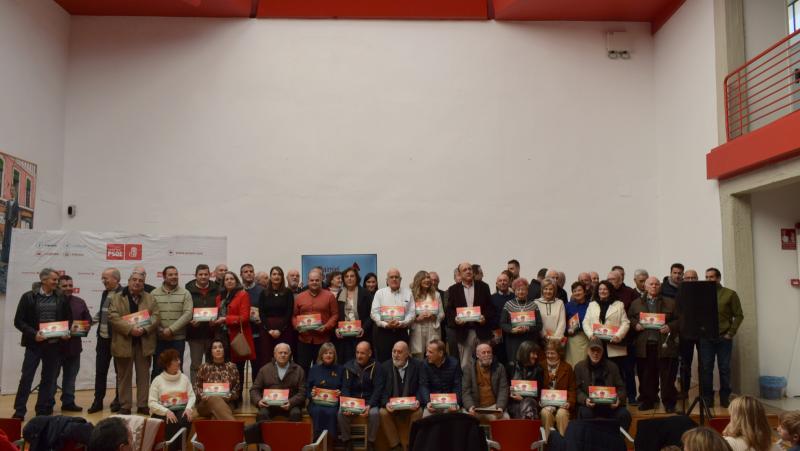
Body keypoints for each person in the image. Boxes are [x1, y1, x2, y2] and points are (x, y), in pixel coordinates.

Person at [12, 268, 72, 419]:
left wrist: (66, 332)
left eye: (57, 280)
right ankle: (19, 411)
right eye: (54, 280)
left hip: (53, 346)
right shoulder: (28, 297)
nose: (56, 283)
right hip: (34, 345)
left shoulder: (61, 298)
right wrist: (34, 334)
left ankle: (42, 411)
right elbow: (18, 321)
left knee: (49, 379)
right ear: (43, 280)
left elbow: (68, 320)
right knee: (26, 378)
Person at [108, 270, 161, 415]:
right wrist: (131, 329)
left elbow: (156, 316)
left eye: (141, 280)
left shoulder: (150, 298)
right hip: (124, 342)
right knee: (124, 376)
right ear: (129, 281)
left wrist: (144, 330)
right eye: (134, 280)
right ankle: (125, 405)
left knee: (143, 376)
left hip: (144, 343)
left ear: (144, 283)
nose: (137, 282)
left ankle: (143, 404)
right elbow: (113, 317)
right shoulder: (117, 298)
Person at [628, 276, 679, 412]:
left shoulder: (671, 302)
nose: (654, 286)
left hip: (664, 345)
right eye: (651, 284)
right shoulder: (636, 303)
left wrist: (670, 327)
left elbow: (680, 320)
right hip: (645, 345)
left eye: (657, 284)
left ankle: (669, 402)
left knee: (667, 376)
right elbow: (630, 318)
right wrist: (635, 325)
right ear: (645, 286)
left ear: (660, 286)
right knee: (646, 376)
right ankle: (648, 400)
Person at [701, 267, 745, 408]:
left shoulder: (730, 294)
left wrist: (730, 333)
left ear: (718, 278)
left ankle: (725, 397)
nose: (709, 279)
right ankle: (708, 398)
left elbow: (739, 315)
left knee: (724, 368)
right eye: (707, 277)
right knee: (706, 368)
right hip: (706, 338)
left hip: (723, 338)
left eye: (712, 277)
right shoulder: (701, 295)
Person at [215, 271, 256, 404]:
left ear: (236, 281)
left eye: (232, 279)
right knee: (224, 369)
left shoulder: (243, 294)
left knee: (237, 369)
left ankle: (238, 398)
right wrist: (213, 320)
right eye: (226, 279)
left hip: (236, 337)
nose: (229, 281)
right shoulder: (219, 297)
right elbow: (217, 314)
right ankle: (225, 397)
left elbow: (244, 318)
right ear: (223, 282)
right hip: (222, 337)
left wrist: (225, 319)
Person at [574, 337, 631, 431]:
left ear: (603, 352)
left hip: (610, 406)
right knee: (585, 414)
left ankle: (617, 442)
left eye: (598, 351)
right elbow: (576, 389)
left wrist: (618, 399)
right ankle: (590, 443)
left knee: (625, 415)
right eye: (593, 350)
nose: (595, 353)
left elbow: (622, 388)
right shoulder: (579, 367)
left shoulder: (612, 367)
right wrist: (585, 400)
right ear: (588, 351)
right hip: (590, 406)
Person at [446, 262, 496, 369]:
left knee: (485, 364)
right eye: (465, 270)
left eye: (469, 269)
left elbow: (490, 308)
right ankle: (468, 386)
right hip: (464, 332)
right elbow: (450, 310)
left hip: (482, 330)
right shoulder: (453, 289)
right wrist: (456, 319)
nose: (468, 271)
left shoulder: (484, 286)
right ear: (459, 274)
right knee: (465, 366)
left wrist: (485, 318)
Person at [89, 267, 123, 414]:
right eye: (103, 278)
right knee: (100, 372)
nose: (103, 281)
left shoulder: (124, 294)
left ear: (116, 279)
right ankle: (98, 401)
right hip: (102, 339)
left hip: (117, 339)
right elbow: (102, 310)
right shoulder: (105, 293)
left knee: (120, 372)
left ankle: (118, 400)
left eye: (106, 278)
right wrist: (90, 322)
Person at [378, 341, 424, 451]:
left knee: (419, 412)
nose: (396, 355)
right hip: (393, 406)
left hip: (411, 405)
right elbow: (382, 390)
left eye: (399, 352)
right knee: (382, 412)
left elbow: (421, 386)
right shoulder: (385, 367)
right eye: (394, 351)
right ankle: (396, 446)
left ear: (407, 354)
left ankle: (410, 444)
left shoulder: (418, 365)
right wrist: (386, 403)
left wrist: (418, 401)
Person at [150, 266, 193, 379]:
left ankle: (177, 396)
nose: (174, 277)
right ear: (164, 277)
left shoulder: (185, 293)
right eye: (170, 274)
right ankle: (156, 396)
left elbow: (188, 314)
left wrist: (171, 330)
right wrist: (161, 330)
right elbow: (150, 314)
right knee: (157, 368)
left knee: (177, 368)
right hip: (159, 338)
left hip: (178, 339)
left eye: (176, 274)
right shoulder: (154, 293)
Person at [148, 349, 194, 451]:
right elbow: (151, 403)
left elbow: (191, 396)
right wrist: (166, 411)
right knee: (171, 421)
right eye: (176, 360)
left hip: (180, 408)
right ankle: (173, 448)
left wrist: (189, 408)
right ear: (168, 364)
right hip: (162, 412)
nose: (179, 362)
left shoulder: (184, 378)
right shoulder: (157, 380)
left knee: (186, 418)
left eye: (179, 359)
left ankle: (180, 447)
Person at [293, 268, 338, 372]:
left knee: (322, 369)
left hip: (323, 339)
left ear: (321, 279)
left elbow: (335, 315)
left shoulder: (329, 296)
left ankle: (321, 388)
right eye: (312, 280)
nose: (314, 282)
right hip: (304, 339)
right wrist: (297, 327)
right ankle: (305, 388)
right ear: (308, 281)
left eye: (317, 280)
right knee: (303, 368)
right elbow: (294, 316)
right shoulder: (299, 297)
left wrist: (326, 326)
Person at [58, 274, 92, 412]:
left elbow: (88, 320)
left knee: (70, 377)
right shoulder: (52, 301)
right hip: (55, 348)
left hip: (74, 347)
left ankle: (68, 402)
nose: (68, 288)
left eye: (70, 285)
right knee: (50, 377)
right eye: (64, 286)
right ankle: (46, 404)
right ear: (58, 287)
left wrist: (87, 325)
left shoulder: (80, 302)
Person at [339, 341, 381, 451]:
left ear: (369, 353)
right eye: (357, 352)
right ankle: (347, 442)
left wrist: (370, 405)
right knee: (341, 412)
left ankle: (371, 442)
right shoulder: (348, 366)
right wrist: (348, 405)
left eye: (362, 353)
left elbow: (378, 389)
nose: (359, 356)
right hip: (353, 401)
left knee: (375, 413)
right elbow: (345, 388)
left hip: (369, 401)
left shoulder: (377, 367)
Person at [251, 343, 306, 422]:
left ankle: (292, 435)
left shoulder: (298, 370)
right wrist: (259, 401)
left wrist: (291, 402)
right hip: (269, 405)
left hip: (290, 404)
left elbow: (302, 392)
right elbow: (254, 389)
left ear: (290, 354)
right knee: (262, 414)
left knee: (296, 414)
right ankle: (267, 434)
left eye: (285, 353)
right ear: (275, 354)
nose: (283, 355)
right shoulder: (265, 369)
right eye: (280, 352)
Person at [583, 280, 630, 372]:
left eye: (605, 289)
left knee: (614, 371)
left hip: (613, 344)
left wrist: (619, 336)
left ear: (610, 291)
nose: (602, 291)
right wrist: (590, 335)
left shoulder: (619, 305)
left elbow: (625, 323)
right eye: (600, 289)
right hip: (596, 342)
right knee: (597, 371)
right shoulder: (592, 305)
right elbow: (586, 322)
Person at [500, 277, 543, 377]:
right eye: (518, 289)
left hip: (529, 340)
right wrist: (512, 329)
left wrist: (529, 328)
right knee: (514, 367)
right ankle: (515, 390)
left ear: (527, 291)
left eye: (523, 289)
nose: (521, 291)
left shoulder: (533, 305)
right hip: (513, 341)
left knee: (530, 366)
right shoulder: (508, 304)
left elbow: (539, 325)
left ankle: (529, 390)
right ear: (514, 291)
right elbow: (502, 323)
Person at [370, 268, 415, 363]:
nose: (394, 279)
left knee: (402, 361)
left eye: (396, 277)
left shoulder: (408, 293)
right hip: (383, 333)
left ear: (400, 279)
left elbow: (412, 313)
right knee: (384, 361)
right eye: (391, 277)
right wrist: (385, 324)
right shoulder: (380, 293)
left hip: (401, 332)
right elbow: (374, 313)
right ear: (387, 280)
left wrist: (402, 323)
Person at [185, 264, 220, 383]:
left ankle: (211, 391)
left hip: (213, 333)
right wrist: (190, 322)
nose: (203, 277)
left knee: (212, 364)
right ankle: (196, 392)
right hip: (195, 334)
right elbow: (185, 310)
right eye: (200, 274)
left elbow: (221, 308)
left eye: (206, 274)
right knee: (196, 364)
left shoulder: (218, 289)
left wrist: (217, 320)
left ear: (210, 275)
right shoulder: (187, 290)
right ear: (195, 275)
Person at [194, 339, 239, 420]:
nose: (218, 350)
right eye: (214, 348)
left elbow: (237, 388)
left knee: (215, 416)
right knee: (215, 399)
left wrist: (229, 396)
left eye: (220, 347)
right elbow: (197, 387)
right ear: (210, 351)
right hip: (206, 403)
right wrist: (202, 395)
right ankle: (238, 430)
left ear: (224, 350)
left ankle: (234, 430)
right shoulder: (204, 367)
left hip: (227, 402)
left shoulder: (232, 367)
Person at [462, 343, 509, 421]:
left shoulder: (500, 368)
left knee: (505, 418)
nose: (487, 355)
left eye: (489, 352)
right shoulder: (468, 368)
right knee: (464, 419)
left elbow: (503, 389)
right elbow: (466, 391)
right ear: (477, 355)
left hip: (494, 407)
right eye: (483, 352)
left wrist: (500, 407)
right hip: (475, 407)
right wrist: (470, 407)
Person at [335, 267, 373, 364]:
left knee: (361, 363)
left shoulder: (365, 293)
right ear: (343, 279)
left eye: (352, 276)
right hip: (345, 337)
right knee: (346, 363)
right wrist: (336, 329)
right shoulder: (340, 293)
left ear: (357, 278)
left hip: (361, 335)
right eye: (346, 276)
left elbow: (371, 315)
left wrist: (363, 328)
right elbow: (337, 314)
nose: (349, 278)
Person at [259, 266, 296, 365]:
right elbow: (261, 313)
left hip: (284, 329)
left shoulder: (288, 293)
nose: (276, 276)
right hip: (267, 330)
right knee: (266, 357)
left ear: (282, 277)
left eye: (279, 274)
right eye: (274, 274)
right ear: (270, 277)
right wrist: (269, 330)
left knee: (283, 356)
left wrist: (280, 329)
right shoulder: (263, 293)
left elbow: (289, 312)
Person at [307, 343, 343, 440]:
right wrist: (311, 393)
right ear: (321, 355)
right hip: (316, 402)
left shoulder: (340, 369)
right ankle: (317, 440)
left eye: (331, 353)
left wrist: (341, 393)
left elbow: (344, 387)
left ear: (334, 355)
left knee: (332, 413)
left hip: (333, 403)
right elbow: (308, 387)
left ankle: (330, 440)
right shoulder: (314, 369)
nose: (328, 355)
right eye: (325, 353)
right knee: (317, 411)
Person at [540, 340, 576, 438]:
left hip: (562, 404)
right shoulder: (540, 366)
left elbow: (572, 389)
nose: (549, 355)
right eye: (547, 353)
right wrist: (540, 402)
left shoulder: (567, 367)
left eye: (552, 353)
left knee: (562, 414)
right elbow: (538, 387)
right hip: (546, 404)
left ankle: (563, 444)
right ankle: (548, 443)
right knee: (545, 413)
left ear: (559, 353)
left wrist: (569, 402)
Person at [420, 339, 462, 417]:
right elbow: (424, 385)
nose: (426, 354)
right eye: (427, 351)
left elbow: (457, 386)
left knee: (455, 417)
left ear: (440, 353)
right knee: (426, 417)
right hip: (433, 404)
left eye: (430, 352)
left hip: (450, 403)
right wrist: (428, 402)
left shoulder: (454, 363)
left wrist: (455, 403)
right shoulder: (425, 364)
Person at [409, 271, 445, 359]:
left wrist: (434, 316)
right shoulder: (412, 294)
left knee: (433, 354)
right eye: (424, 278)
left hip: (432, 327)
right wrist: (417, 318)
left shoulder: (436, 295)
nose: (427, 280)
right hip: (417, 327)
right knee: (418, 356)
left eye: (428, 278)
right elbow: (408, 313)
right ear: (418, 280)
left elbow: (442, 314)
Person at [508, 340, 543, 420]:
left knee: (528, 404)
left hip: (532, 403)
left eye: (536, 354)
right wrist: (509, 390)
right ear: (525, 353)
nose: (536, 356)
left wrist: (523, 399)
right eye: (533, 353)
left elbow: (539, 392)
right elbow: (504, 387)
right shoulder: (511, 366)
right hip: (514, 402)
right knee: (519, 408)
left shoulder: (538, 369)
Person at [241, 263, 264, 382]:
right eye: (246, 272)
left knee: (257, 367)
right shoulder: (237, 290)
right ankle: (238, 397)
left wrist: (262, 319)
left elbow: (266, 311)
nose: (249, 273)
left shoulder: (261, 291)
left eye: (251, 271)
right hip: (241, 335)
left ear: (254, 274)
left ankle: (256, 395)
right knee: (239, 367)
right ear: (241, 275)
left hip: (257, 335)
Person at [491, 271, 515, 367]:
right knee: (500, 360)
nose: (503, 282)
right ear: (497, 284)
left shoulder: (515, 297)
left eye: (505, 280)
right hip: (498, 335)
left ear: (509, 283)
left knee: (512, 359)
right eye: (500, 281)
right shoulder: (492, 298)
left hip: (513, 333)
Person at [565, 281, 590, 367]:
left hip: (585, 338)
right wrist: (567, 329)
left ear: (584, 292)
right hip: (572, 340)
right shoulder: (568, 306)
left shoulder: (590, 306)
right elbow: (563, 322)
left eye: (579, 290)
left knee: (583, 364)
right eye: (574, 291)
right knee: (571, 364)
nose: (577, 293)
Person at [533, 278, 566, 342]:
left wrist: (555, 338)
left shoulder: (560, 303)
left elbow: (562, 322)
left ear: (554, 290)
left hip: (556, 340)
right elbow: (537, 322)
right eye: (546, 289)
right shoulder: (536, 303)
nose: (548, 291)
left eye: (551, 289)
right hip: (540, 340)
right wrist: (545, 336)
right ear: (542, 290)